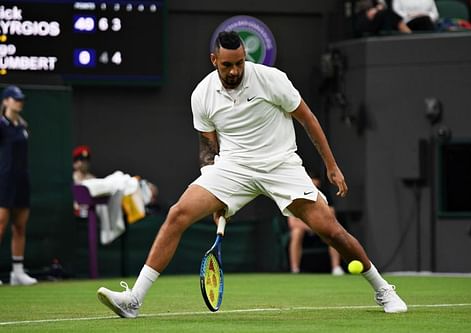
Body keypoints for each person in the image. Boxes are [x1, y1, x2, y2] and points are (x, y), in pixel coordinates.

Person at [97, 31, 407, 317]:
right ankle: (134, 300)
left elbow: (308, 120)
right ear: (214, 60)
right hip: (233, 167)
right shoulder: (202, 95)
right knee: (177, 214)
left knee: (330, 231)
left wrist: (331, 166)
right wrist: (213, 186)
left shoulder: (271, 79)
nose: (234, 71)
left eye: (240, 63)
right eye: (227, 65)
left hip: (280, 164)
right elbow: (207, 146)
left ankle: (383, 289)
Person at [0, 85, 37, 286]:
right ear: (5, 101)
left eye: (20, 99)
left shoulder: (23, 126)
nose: (18, 102)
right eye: (15, 99)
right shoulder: (1, 125)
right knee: (1, 225)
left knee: (20, 226)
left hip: (23, 180)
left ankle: (17, 272)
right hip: (5, 180)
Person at [287, 173, 344, 275]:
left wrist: (318, 227)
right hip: (305, 228)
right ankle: (295, 269)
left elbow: (331, 217)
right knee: (296, 233)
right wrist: (310, 227)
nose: (314, 183)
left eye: (316, 180)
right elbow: (293, 223)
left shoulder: (325, 195)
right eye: (311, 179)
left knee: (333, 232)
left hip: (321, 227)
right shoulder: (296, 194)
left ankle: (336, 267)